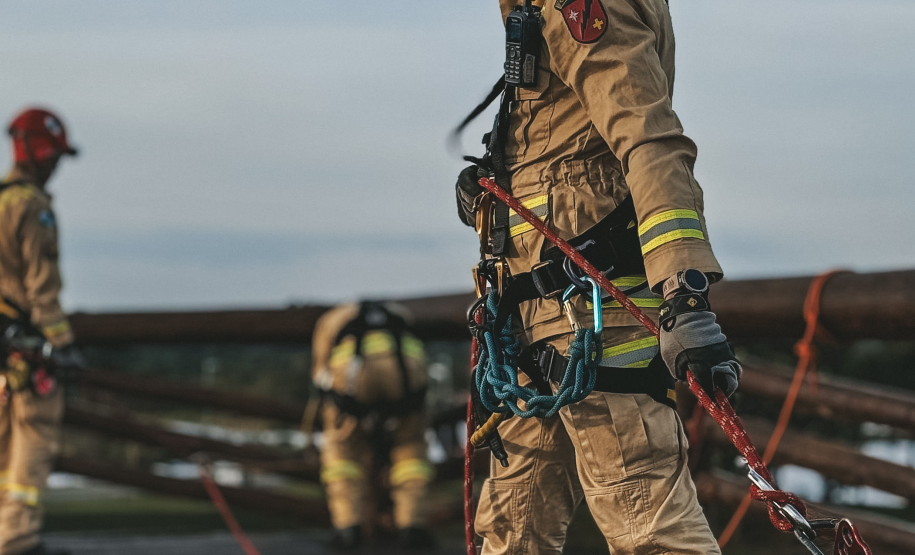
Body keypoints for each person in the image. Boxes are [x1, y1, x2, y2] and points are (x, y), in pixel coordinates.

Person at [455, 1, 742, 553]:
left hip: (592, 319)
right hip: (533, 323)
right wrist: (499, 179)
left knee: (648, 528)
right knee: (514, 530)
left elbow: (649, 139)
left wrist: (684, 293)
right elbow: (568, 144)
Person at [0, 108, 83, 555]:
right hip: (26, 353)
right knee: (33, 441)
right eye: (53, 155)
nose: (55, 165)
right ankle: (17, 540)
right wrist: (62, 344)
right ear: (35, 152)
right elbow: (41, 284)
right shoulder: (32, 206)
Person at [310, 301, 436, 550]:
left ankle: (348, 527)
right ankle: (411, 524)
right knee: (410, 450)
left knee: (342, 453)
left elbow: (320, 374)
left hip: (353, 379)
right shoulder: (399, 313)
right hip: (405, 377)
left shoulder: (331, 319)